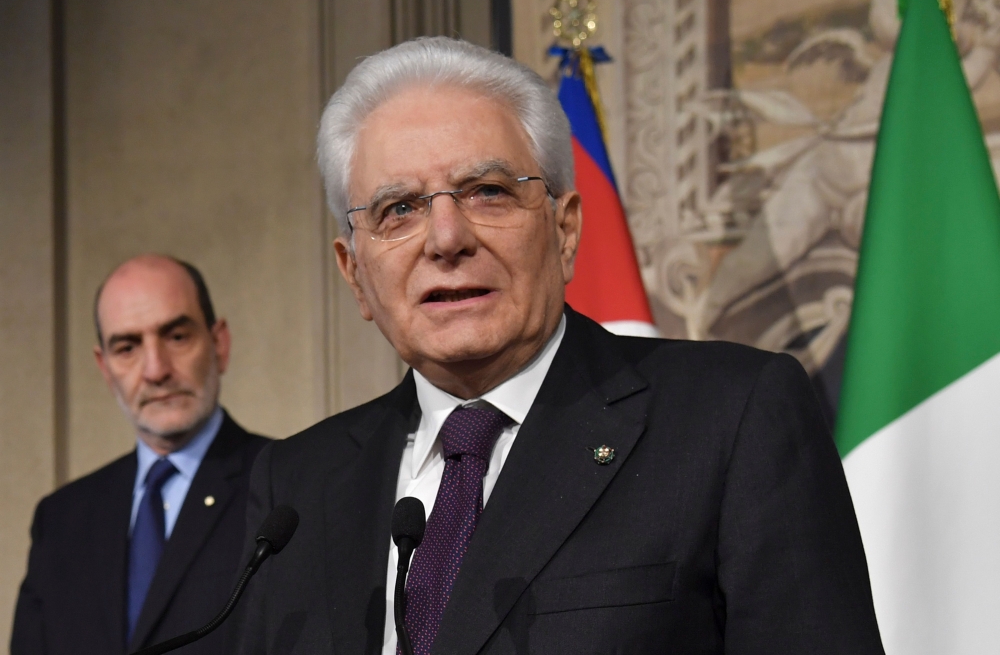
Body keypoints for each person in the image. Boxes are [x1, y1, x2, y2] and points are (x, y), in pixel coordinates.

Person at [236, 37, 884, 654]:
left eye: (487, 192)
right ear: (354, 274)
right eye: (398, 209)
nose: (445, 239)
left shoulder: (730, 417)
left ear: (565, 230)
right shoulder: (296, 485)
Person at [11, 254, 269, 655]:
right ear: (105, 367)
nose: (155, 369)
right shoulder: (60, 519)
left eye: (176, 337)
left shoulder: (287, 484)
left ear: (219, 343)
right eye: (127, 346)